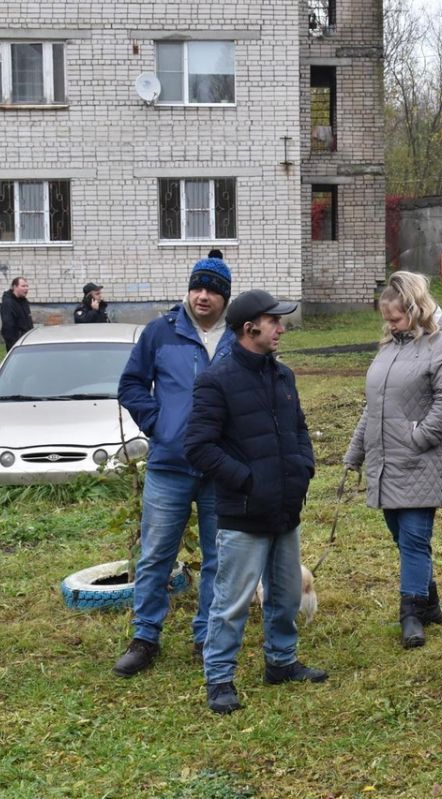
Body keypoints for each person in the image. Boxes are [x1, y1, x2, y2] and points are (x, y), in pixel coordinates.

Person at [185, 289, 326, 714]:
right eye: (274, 322)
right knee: (231, 602)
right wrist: (246, 481)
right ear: (250, 329)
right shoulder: (217, 380)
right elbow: (199, 446)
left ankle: (281, 661)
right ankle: (220, 679)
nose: (281, 328)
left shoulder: (283, 377)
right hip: (243, 514)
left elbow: (299, 429)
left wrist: (304, 466)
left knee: (284, 596)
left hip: (285, 508)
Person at [112, 257, 236, 678]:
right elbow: (130, 384)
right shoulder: (160, 332)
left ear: (225, 297)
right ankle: (145, 637)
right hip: (170, 465)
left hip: (221, 467)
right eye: (197, 288)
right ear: (189, 290)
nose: (203, 297)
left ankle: (207, 635)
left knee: (220, 556)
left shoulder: (238, 335)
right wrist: (160, 423)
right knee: (155, 555)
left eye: (213, 290)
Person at [344, 271, 442, 648]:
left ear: (415, 309)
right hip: (386, 462)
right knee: (402, 537)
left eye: (396, 317)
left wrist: (420, 438)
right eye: (387, 318)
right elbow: (374, 408)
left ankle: (411, 612)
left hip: (421, 461)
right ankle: (428, 601)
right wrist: (355, 451)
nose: (390, 324)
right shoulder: (389, 348)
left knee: (414, 538)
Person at [0, 276, 33, 349]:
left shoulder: (24, 302)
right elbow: (8, 327)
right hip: (17, 344)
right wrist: (15, 344)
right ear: (15, 287)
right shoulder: (8, 303)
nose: (26, 288)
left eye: (27, 286)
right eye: (23, 286)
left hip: (27, 341)